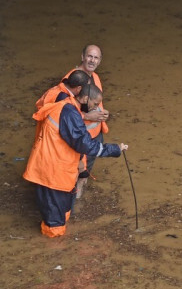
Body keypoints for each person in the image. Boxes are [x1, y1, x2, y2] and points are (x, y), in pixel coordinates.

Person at [23, 84, 128, 238]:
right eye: (95, 104)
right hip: (52, 176)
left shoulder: (68, 108)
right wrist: (115, 150)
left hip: (57, 173)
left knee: (62, 214)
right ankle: (54, 247)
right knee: (55, 225)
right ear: (85, 98)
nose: (97, 109)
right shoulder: (70, 114)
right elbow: (85, 144)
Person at [64, 45, 110, 196]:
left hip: (94, 133)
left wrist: (102, 113)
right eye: (90, 56)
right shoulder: (73, 79)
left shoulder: (95, 77)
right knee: (76, 167)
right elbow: (64, 110)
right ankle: (72, 196)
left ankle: (79, 189)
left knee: (87, 165)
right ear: (82, 57)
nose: (92, 60)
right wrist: (86, 117)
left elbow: (96, 101)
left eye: (96, 57)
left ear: (100, 61)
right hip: (79, 135)